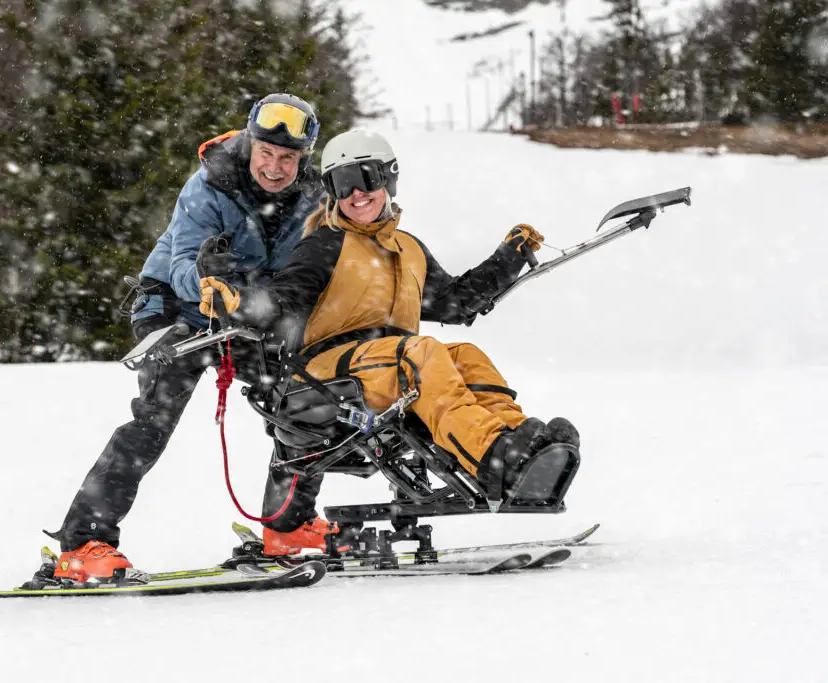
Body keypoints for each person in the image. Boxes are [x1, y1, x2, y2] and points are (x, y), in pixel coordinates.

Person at [199, 128, 580, 555]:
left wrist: (507, 260)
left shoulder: (409, 249)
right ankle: (492, 457)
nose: (357, 194)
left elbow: (453, 304)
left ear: (389, 179)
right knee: (421, 353)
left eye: (367, 178)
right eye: (342, 185)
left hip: (390, 363)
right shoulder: (324, 244)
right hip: (327, 370)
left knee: (466, 356)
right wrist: (237, 300)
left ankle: (519, 444)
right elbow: (283, 299)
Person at [49, 93, 324, 583]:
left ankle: (288, 526)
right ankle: (83, 544)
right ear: (249, 143)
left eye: (288, 158)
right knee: (152, 423)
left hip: (248, 312)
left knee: (300, 406)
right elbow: (180, 263)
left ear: (302, 160)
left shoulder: (311, 198)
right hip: (177, 309)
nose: (276, 167)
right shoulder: (209, 184)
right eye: (267, 153)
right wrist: (207, 278)